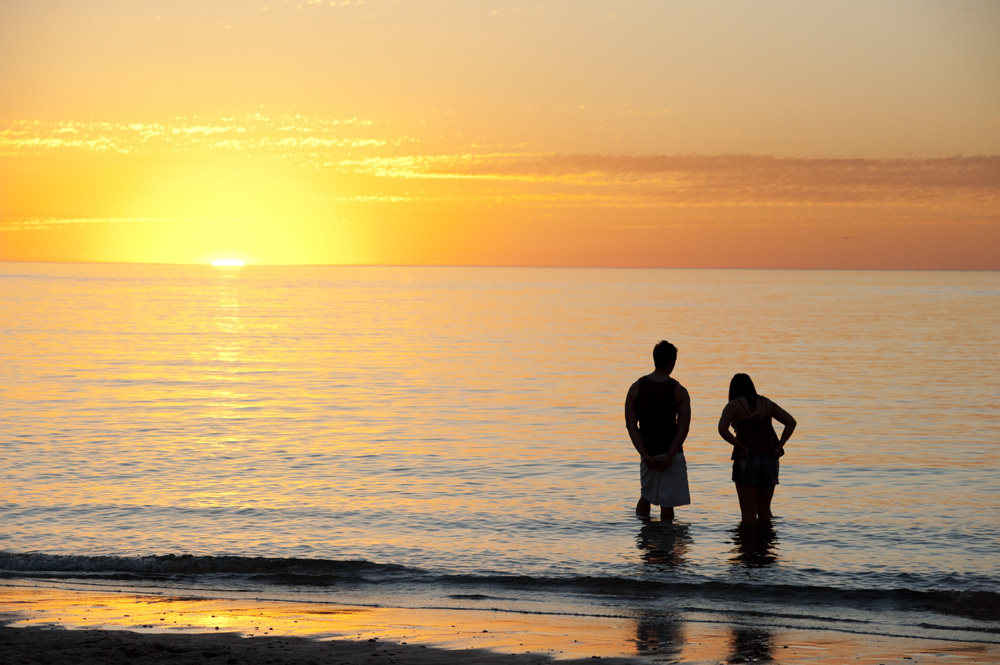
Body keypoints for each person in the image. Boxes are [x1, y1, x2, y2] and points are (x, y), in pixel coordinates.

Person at [625, 340, 691, 520]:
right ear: (671, 363)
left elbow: (631, 426)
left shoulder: (635, 388)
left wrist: (644, 454)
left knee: (645, 496)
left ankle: (643, 538)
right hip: (672, 454)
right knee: (667, 504)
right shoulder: (679, 391)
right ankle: (666, 542)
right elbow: (683, 429)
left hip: (649, 453)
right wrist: (669, 457)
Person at [717, 373, 796, 523]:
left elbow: (722, 429)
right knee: (765, 510)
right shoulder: (766, 403)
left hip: (747, 460)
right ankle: (765, 544)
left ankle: (748, 544)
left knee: (748, 512)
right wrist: (779, 447)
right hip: (770, 459)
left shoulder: (733, 406)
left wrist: (739, 446)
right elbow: (790, 422)